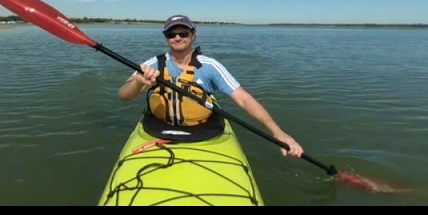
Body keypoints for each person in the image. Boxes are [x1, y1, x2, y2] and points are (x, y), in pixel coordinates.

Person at [118, 14, 304, 158]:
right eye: (172, 34)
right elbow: (124, 96)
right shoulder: (152, 64)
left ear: (193, 36)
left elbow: (243, 99)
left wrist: (278, 133)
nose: (178, 37)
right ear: (166, 38)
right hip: (158, 128)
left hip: (203, 131)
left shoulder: (210, 66)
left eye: (184, 33)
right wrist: (138, 83)